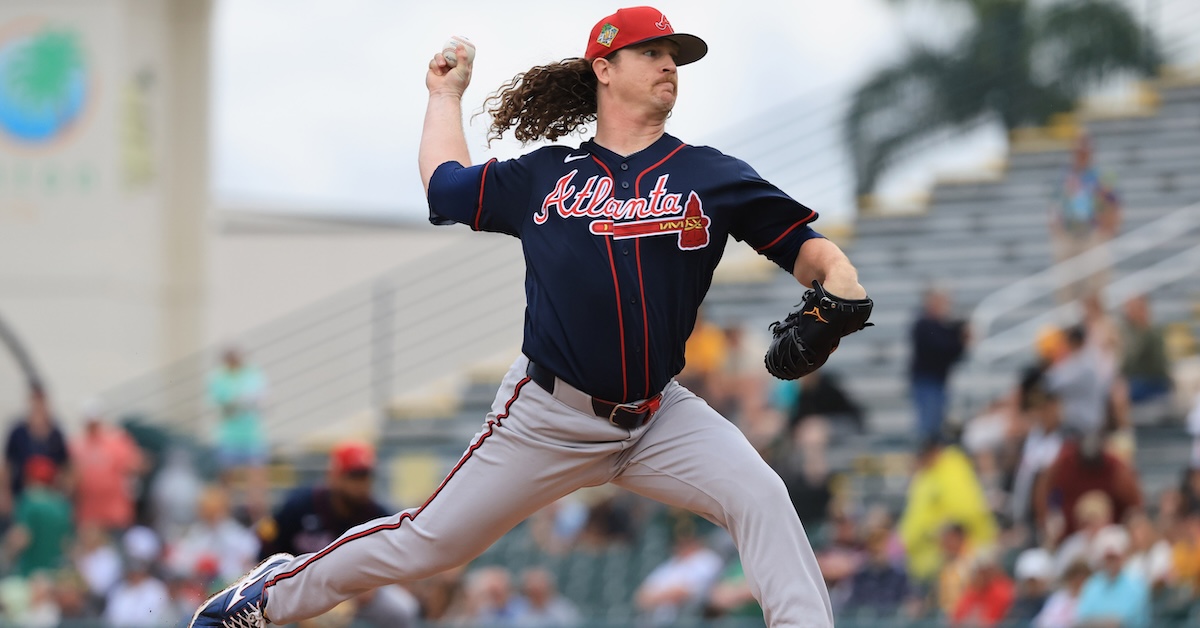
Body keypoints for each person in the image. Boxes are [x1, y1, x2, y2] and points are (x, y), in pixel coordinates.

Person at [191, 7, 870, 628]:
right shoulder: (546, 177)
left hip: (659, 414)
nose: (669, 65)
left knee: (761, 496)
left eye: (674, 55)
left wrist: (840, 290)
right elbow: (444, 186)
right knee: (427, 543)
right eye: (652, 51)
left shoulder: (709, 175)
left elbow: (808, 250)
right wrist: (443, 97)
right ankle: (267, 598)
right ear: (604, 69)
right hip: (549, 415)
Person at [257, 440, 389, 559]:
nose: (362, 484)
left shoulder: (378, 517)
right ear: (334, 477)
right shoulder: (299, 506)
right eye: (354, 477)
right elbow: (267, 545)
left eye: (366, 477)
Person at [1050, 133, 1120, 303]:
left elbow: (1113, 203)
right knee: (1067, 285)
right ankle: (1068, 323)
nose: (1081, 154)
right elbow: (1056, 205)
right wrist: (1056, 228)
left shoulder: (1102, 176)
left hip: (1092, 233)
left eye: (1084, 150)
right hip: (1069, 233)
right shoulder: (1065, 176)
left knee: (1095, 285)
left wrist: (1109, 228)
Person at [207, 346, 269, 517]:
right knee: (227, 476)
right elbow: (221, 404)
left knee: (256, 474)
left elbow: (261, 398)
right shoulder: (218, 378)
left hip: (251, 435)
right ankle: (225, 510)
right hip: (229, 436)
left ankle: (256, 510)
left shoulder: (253, 374)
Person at [68, 400, 145, 532]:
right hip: (89, 517)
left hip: (116, 514)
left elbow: (137, 464)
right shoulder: (76, 446)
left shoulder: (116, 442)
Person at [908, 287, 968, 440]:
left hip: (938, 380)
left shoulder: (940, 326)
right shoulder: (923, 325)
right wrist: (961, 339)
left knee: (936, 424)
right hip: (927, 381)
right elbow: (940, 348)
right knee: (928, 425)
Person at [2, 456, 73, 576]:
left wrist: (6, 552)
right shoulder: (62, 505)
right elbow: (66, 543)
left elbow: (21, 537)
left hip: (30, 574)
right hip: (55, 573)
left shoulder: (29, 501)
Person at [3, 384, 69, 506]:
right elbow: (7, 465)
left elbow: (65, 465)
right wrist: (5, 492)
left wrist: (64, 492)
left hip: (50, 496)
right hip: (22, 494)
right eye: (35, 401)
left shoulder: (56, 433)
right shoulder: (17, 432)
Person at [1073, 526, 1151, 627]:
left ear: (1123, 556)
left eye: (1114, 557)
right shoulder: (1092, 584)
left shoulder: (1137, 584)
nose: (1111, 562)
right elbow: (1082, 619)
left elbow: (1124, 620)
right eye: (1108, 557)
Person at [1119, 295, 1172, 405]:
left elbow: (1156, 365)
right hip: (1137, 381)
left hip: (1152, 382)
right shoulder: (1131, 331)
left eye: (1132, 308)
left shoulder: (1152, 332)